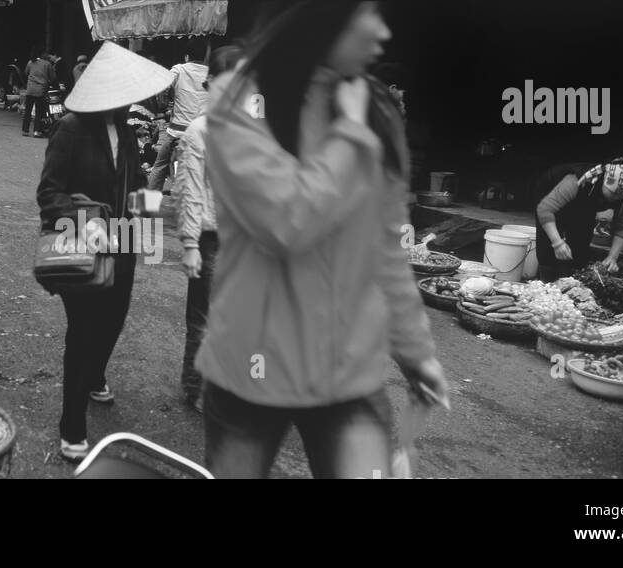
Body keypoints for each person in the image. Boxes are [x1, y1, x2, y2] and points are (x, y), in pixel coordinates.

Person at [197, 0, 449, 479]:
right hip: (250, 370)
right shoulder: (237, 102)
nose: (382, 33)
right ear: (321, 17)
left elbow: (387, 252)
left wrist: (417, 354)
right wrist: (351, 136)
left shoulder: (378, 111)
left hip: (348, 375)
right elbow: (287, 222)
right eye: (368, 14)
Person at [36, 42, 173, 462]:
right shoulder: (71, 129)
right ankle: (72, 425)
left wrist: (159, 217)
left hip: (124, 244)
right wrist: (86, 219)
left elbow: (133, 191)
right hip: (83, 248)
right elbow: (48, 193)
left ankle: (96, 373)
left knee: (113, 321)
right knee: (82, 334)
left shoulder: (126, 130)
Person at [175, 46, 243, 410]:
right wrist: (189, 244)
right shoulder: (198, 131)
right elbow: (190, 192)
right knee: (205, 318)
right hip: (210, 238)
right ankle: (196, 386)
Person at [534, 158, 623, 280]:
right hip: (550, 194)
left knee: (580, 244)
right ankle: (546, 281)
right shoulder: (576, 180)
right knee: (547, 247)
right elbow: (545, 210)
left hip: (585, 203)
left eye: (621, 195)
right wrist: (557, 242)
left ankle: (573, 280)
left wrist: (612, 257)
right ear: (605, 181)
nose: (616, 198)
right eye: (613, 193)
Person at [146, 39, 209, 193]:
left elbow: (161, 88)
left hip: (176, 132)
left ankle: (147, 207)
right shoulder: (211, 73)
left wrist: (164, 103)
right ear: (205, 56)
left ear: (187, 56)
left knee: (159, 166)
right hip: (203, 134)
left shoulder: (178, 70)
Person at [21, 46, 57, 137]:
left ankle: (25, 131)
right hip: (41, 91)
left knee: (28, 111)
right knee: (38, 112)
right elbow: (53, 78)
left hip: (30, 90)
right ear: (42, 54)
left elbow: (26, 73)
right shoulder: (47, 64)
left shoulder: (30, 62)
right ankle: (36, 131)